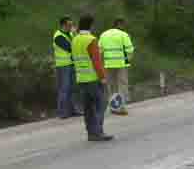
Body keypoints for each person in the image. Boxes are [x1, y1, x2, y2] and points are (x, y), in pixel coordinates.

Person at [71, 13, 114, 141]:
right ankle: (98, 132)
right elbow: (96, 61)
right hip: (92, 78)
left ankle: (90, 132)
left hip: (80, 78)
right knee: (100, 104)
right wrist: (103, 77)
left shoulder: (75, 39)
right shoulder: (91, 39)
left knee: (88, 107)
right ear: (91, 25)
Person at [98, 18, 135, 116]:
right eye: (123, 25)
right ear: (120, 25)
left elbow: (100, 51)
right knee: (122, 86)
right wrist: (128, 59)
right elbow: (130, 49)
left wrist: (102, 64)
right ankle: (121, 108)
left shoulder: (104, 34)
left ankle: (113, 107)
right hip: (121, 64)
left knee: (111, 86)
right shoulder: (123, 35)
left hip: (108, 64)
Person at [52, 16, 80, 118]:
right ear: (63, 25)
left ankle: (73, 110)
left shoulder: (71, 34)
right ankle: (62, 112)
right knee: (64, 89)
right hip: (63, 66)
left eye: (72, 25)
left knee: (73, 89)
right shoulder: (58, 36)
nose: (71, 27)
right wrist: (75, 36)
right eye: (69, 25)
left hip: (72, 64)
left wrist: (76, 34)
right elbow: (70, 48)